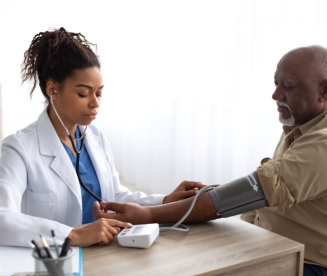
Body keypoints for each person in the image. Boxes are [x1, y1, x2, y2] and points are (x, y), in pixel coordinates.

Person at [94, 45, 327, 274]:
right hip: (274, 243)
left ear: (324, 91)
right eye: (276, 84)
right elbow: (262, 198)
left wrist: (149, 214)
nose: (275, 95)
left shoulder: (322, 142)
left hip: (308, 263)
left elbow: (256, 190)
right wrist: (218, 201)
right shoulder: (300, 125)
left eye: (288, 86)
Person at [0, 27, 204, 248]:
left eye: (99, 93)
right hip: (60, 261)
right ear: (52, 90)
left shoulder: (95, 137)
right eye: (84, 93)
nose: (95, 103)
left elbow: (114, 195)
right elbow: (2, 218)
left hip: (108, 254)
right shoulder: (18, 148)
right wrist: (72, 235)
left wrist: (164, 201)